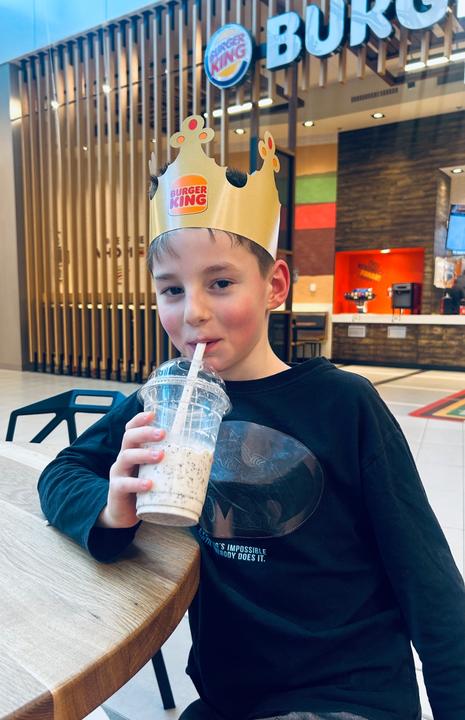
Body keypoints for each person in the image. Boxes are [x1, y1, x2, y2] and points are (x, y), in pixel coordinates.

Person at [38, 115, 465, 720]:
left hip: (346, 693)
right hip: (230, 697)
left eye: (220, 282)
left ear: (275, 285)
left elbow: (432, 589)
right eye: (171, 290)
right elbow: (60, 472)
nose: (193, 313)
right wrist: (111, 507)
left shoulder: (345, 405)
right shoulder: (165, 400)